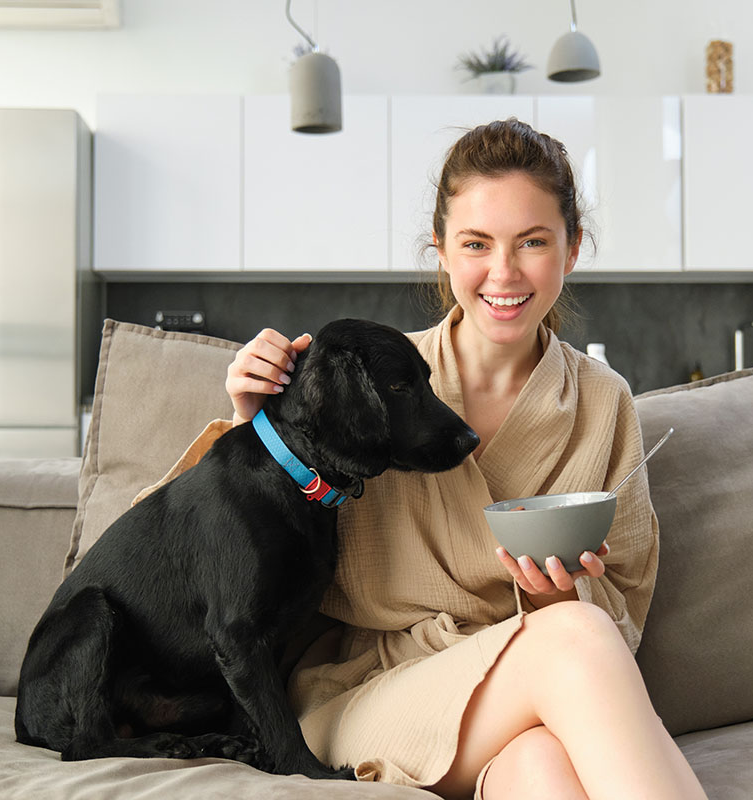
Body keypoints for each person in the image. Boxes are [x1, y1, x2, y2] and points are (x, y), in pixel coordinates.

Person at [163, 119, 706, 800]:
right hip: (367, 691)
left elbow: (622, 609)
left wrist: (560, 593)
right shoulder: (362, 385)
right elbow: (189, 566)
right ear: (442, 252)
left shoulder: (602, 402)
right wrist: (261, 433)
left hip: (521, 689)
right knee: (576, 636)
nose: (503, 273)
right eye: (477, 244)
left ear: (571, 249)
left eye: (533, 242)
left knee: (542, 766)